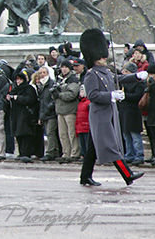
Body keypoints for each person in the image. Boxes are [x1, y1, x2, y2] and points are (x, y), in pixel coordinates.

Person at [78, 28, 145, 187]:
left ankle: (85, 176)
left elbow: (118, 78)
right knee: (110, 145)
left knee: (92, 150)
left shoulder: (105, 71)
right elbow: (93, 95)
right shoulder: (91, 74)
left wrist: (135, 77)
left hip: (109, 113)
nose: (103, 57)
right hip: (100, 115)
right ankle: (127, 175)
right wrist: (111, 96)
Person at [53, 59, 81, 163]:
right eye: (62, 67)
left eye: (66, 67)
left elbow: (72, 94)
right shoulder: (59, 79)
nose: (64, 69)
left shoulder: (72, 79)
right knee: (62, 134)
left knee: (72, 133)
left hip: (70, 110)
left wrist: (59, 94)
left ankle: (74, 153)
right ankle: (66, 152)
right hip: (60, 110)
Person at [8, 69, 39, 163]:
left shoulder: (29, 88)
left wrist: (18, 98)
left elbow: (30, 100)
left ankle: (26, 153)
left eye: (20, 80)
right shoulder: (15, 89)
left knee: (25, 134)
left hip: (26, 115)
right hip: (16, 115)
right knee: (18, 134)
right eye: (17, 80)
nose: (18, 81)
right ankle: (21, 153)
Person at [118, 62, 146, 165]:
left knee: (135, 136)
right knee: (126, 135)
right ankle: (129, 154)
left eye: (126, 71)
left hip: (133, 111)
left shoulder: (139, 83)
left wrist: (124, 95)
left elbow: (137, 96)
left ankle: (139, 155)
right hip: (124, 111)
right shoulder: (122, 82)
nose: (123, 73)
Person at [35, 66, 60, 161]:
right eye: (40, 73)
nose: (42, 75)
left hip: (51, 113)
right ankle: (53, 151)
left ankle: (51, 152)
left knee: (50, 132)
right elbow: (41, 102)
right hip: (44, 112)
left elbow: (54, 99)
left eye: (44, 73)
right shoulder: (41, 86)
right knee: (49, 133)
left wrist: (49, 109)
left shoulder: (51, 84)